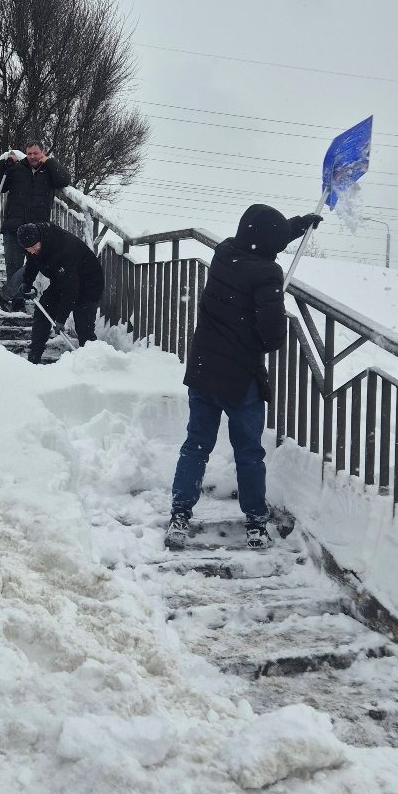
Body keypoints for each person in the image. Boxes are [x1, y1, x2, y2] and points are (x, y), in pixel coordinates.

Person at [165, 204, 322, 551]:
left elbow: (261, 237)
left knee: (195, 447)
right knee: (249, 453)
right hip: (240, 380)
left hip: (204, 370)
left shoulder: (224, 252)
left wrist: (297, 225)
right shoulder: (267, 274)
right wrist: (275, 305)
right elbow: (272, 338)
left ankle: (179, 514)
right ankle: (254, 521)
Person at [0, 143, 71, 306]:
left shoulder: (49, 170)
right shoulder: (17, 168)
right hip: (14, 224)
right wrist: (2, 165)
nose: (32, 156)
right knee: (13, 265)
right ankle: (17, 301)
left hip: (37, 228)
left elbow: (63, 180)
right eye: (29, 153)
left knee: (34, 263)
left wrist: (50, 162)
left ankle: (8, 293)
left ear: (43, 153)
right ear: (25, 154)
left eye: (36, 153)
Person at [16, 221, 104, 364]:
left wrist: (61, 319)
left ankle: (92, 364)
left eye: (33, 247)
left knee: (83, 326)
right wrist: (27, 282)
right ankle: (34, 357)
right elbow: (33, 262)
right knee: (42, 310)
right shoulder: (35, 246)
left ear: (40, 240)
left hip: (89, 283)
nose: (31, 251)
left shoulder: (64, 248)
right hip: (62, 279)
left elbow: (70, 288)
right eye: (28, 249)